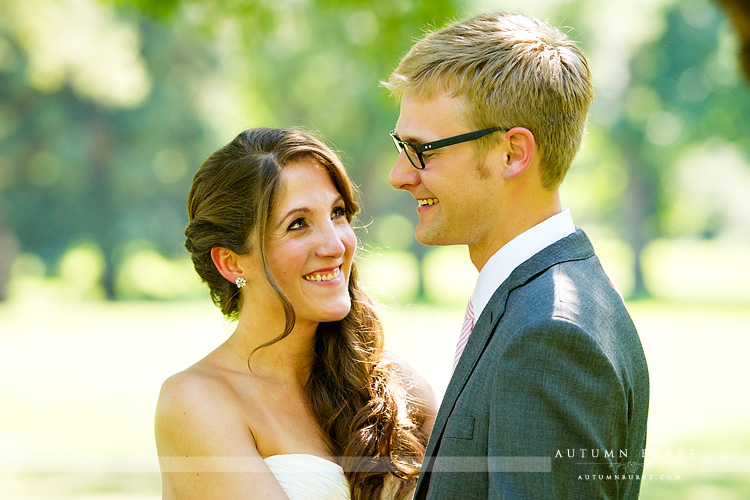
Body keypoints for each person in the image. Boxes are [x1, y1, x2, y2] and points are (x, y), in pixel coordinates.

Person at [384, 11, 649, 499]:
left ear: (512, 153)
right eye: (401, 145)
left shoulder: (549, 336)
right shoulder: (544, 298)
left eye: (423, 150)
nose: (399, 174)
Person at [154, 128, 436, 500]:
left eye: (337, 213)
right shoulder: (196, 403)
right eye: (298, 224)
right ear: (231, 262)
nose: (335, 245)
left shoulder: (397, 387)